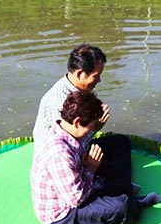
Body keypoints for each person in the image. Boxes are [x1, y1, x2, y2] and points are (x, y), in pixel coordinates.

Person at [30, 91, 161, 224]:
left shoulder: (68, 129)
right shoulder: (59, 152)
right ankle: (132, 203)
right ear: (77, 122)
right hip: (65, 211)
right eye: (92, 126)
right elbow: (76, 200)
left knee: (120, 142)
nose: (93, 129)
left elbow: (82, 147)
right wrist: (90, 169)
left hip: (80, 180)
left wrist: (91, 166)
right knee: (123, 207)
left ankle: (121, 192)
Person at [32, 43, 133, 197]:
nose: (99, 80)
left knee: (121, 142)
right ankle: (121, 187)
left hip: (76, 144)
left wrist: (94, 127)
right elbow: (71, 144)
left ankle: (120, 184)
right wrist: (95, 129)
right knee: (117, 177)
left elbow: (78, 134)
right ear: (80, 74)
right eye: (96, 75)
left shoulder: (77, 89)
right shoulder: (59, 101)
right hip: (63, 157)